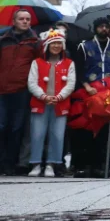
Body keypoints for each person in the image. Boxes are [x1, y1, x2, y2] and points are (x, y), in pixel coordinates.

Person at [71, 17, 110, 177]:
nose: (104, 29)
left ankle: (100, 166)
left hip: (107, 95)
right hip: (88, 92)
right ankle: (82, 166)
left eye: (106, 27)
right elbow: (78, 69)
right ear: (95, 28)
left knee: (103, 130)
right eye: (100, 26)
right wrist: (86, 86)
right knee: (85, 129)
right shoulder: (84, 46)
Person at [26, 28, 73, 176]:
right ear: (47, 45)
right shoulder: (37, 63)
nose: (56, 46)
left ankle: (51, 165)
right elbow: (31, 83)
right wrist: (43, 96)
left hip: (60, 104)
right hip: (40, 103)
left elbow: (70, 84)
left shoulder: (69, 63)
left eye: (59, 43)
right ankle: (36, 164)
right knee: (37, 134)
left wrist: (59, 97)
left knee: (57, 135)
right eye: (53, 43)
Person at [0, 8, 40, 174]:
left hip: (22, 90)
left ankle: (10, 164)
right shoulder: (3, 39)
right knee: (1, 126)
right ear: (14, 21)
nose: (25, 21)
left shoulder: (35, 42)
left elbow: (38, 66)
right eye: (21, 19)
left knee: (16, 128)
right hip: (2, 90)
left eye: (27, 19)